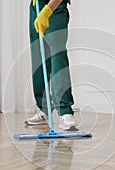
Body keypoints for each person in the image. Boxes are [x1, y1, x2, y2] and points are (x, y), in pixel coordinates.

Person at [25, 0, 76, 131]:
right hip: (36, 7)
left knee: (57, 56)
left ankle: (65, 111)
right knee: (39, 58)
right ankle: (43, 109)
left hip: (54, 7)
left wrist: (48, 10)